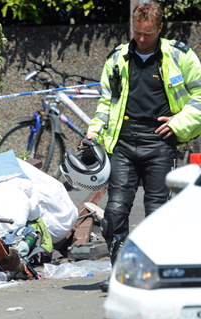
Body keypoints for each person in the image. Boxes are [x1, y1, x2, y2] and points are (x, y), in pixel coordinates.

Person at [84, 1, 201, 292]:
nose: (142, 38)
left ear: (160, 28)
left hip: (160, 142)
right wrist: (93, 134)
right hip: (122, 143)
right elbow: (105, 102)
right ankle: (121, 275)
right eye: (137, 32)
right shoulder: (118, 58)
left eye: (148, 33)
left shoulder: (179, 56)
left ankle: (156, 275)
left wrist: (179, 123)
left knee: (157, 212)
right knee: (114, 213)